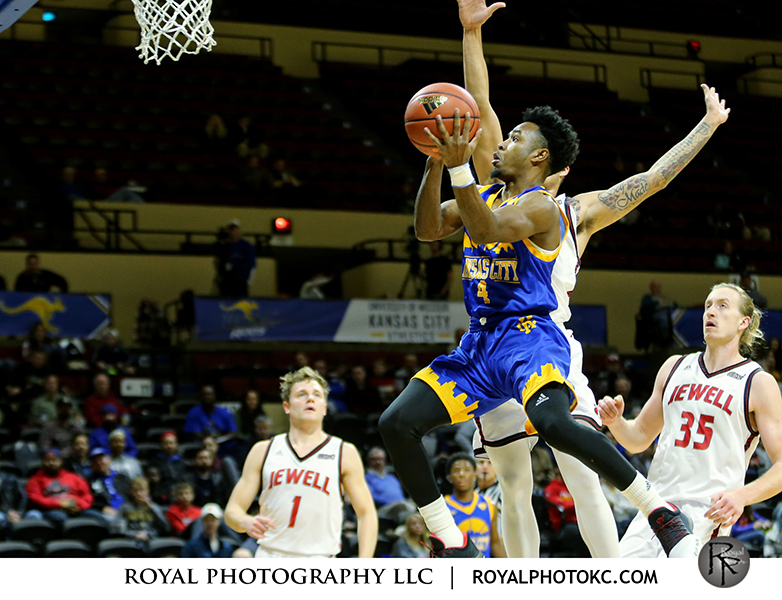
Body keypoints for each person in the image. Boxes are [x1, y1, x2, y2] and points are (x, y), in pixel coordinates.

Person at [377, 0, 726, 559]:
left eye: (515, 138)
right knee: (511, 481)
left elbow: (653, 179)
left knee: (578, 469)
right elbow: (477, 109)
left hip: (542, 338)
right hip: (483, 340)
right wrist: (470, 35)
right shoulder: (485, 189)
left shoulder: (564, 209)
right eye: (504, 138)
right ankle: (473, 550)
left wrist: (707, 126)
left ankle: (629, 551)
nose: (500, 142)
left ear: (546, 160)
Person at [598, 283, 782, 557]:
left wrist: (743, 496)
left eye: (722, 306)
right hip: (653, 507)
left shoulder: (757, 382)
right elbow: (638, 438)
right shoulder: (674, 367)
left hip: (705, 515)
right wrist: (616, 422)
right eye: (708, 306)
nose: (711, 312)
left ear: (743, 322)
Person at [225, 366, 378, 558]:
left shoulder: (344, 452)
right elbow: (232, 510)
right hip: (270, 557)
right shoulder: (263, 450)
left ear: (324, 408)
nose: (310, 399)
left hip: (320, 560)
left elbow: (366, 513)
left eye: (317, 395)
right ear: (287, 406)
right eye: (302, 394)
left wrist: (364, 563)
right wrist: (245, 521)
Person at [444, 453, 505, 557]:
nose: (462, 474)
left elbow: (495, 544)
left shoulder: (489, 504)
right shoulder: (443, 508)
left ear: (475, 475)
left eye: (467, 470)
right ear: (449, 477)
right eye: (457, 471)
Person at [25, 448, 93, 525]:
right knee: (59, 517)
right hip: (49, 510)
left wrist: (76, 504)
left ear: (61, 461)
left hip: (76, 508)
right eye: (47, 460)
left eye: (54, 460)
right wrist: (60, 504)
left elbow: (86, 496)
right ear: (42, 462)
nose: (51, 463)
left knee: (96, 516)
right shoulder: (35, 480)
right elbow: (35, 498)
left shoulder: (74, 477)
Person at [116, 476, 170, 546]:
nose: (138, 493)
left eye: (141, 490)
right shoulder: (125, 508)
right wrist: (135, 534)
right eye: (136, 490)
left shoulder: (155, 507)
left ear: (147, 491)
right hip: (131, 539)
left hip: (152, 539)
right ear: (132, 492)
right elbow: (116, 527)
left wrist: (152, 509)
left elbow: (166, 528)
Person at [215, 220, 256, 298]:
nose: (233, 232)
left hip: (241, 282)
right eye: (231, 230)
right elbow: (219, 262)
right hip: (226, 282)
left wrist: (244, 277)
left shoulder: (246, 246)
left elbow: (251, 263)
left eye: (235, 229)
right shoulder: (225, 246)